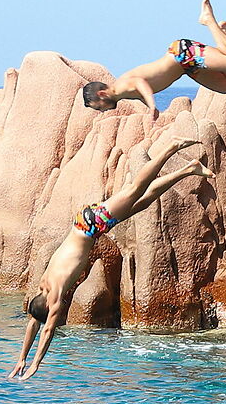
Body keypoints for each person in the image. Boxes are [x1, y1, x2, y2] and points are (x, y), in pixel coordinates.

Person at [13, 134, 211, 379]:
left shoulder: (54, 298)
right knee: (144, 201)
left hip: (93, 224)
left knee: (135, 188)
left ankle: (172, 147)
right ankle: (189, 170)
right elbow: (34, 322)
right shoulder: (44, 288)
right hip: (86, 224)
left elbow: (46, 332)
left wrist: (36, 364)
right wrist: (22, 358)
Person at [86, 0, 226, 110]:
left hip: (181, 54)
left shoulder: (119, 88)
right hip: (186, 67)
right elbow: (139, 92)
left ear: (102, 94)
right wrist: (147, 105)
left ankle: (209, 20)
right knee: (224, 86)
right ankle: (225, 33)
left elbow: (140, 83)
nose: (102, 110)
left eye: (98, 107)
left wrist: (152, 107)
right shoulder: (122, 92)